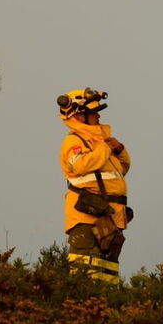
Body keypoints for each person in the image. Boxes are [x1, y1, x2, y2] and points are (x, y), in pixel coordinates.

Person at [57, 87, 131, 283]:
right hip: (86, 221)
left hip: (109, 220)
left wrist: (119, 149)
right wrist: (106, 147)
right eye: (93, 112)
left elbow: (120, 171)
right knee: (84, 278)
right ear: (80, 116)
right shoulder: (74, 141)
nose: (98, 115)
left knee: (106, 279)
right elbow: (81, 165)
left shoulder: (98, 143)